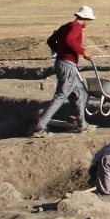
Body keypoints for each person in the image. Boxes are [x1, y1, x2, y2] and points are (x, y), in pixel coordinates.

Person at [32, 7, 95, 136]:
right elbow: (69, 40)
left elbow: (50, 41)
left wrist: (60, 51)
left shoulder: (66, 26)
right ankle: (39, 127)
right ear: (85, 18)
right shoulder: (76, 27)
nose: (89, 22)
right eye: (89, 20)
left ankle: (82, 125)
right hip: (68, 66)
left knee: (81, 94)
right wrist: (83, 52)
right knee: (60, 96)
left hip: (64, 64)